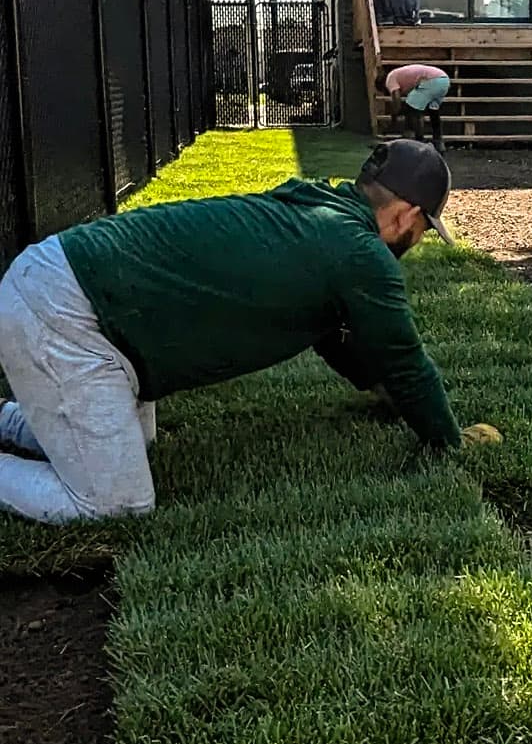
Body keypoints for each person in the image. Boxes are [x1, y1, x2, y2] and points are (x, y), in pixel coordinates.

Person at [0, 141, 499, 524]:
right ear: (407, 215)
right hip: (68, 315)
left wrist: (377, 388)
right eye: (422, 229)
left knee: (132, 448)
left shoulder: (318, 211)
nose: (415, 240)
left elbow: (329, 334)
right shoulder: (361, 254)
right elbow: (407, 363)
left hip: (67, 292)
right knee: (117, 503)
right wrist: (449, 441)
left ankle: (11, 420)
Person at [386, 64, 452, 148]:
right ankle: (438, 141)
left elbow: (397, 99)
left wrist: (394, 118)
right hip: (444, 81)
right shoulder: (401, 76)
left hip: (432, 80)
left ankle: (419, 141)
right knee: (433, 111)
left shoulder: (390, 79)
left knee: (412, 107)